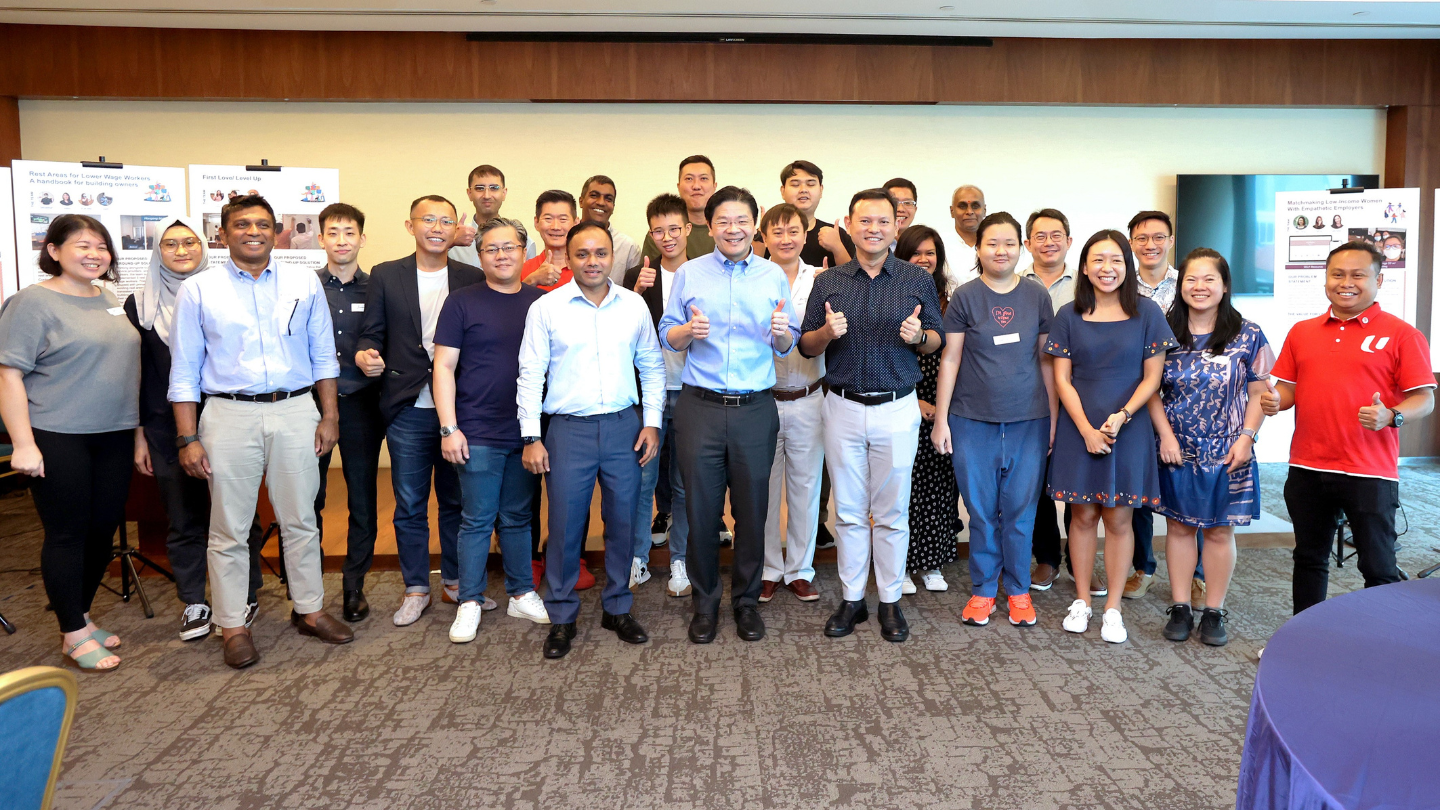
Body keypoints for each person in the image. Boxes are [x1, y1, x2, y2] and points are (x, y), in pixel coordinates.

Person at [169, 195, 352, 669]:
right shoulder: (199, 290)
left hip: (295, 410)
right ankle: (232, 625)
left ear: (277, 232)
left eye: (264, 225)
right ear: (224, 233)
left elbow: (323, 356)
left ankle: (309, 610)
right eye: (242, 224)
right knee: (228, 528)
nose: (254, 232)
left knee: (301, 521)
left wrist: (328, 416)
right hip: (228, 415)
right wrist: (187, 437)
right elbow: (185, 370)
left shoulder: (302, 283)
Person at [800, 189, 944, 643]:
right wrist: (826, 332)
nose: (874, 229)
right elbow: (805, 344)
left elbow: (938, 338)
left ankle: (889, 601)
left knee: (891, 512)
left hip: (898, 407)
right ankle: (851, 598)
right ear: (849, 223)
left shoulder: (915, 280)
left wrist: (919, 335)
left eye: (883, 221)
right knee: (847, 511)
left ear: (896, 226)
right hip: (841, 405)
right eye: (865, 221)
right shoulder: (829, 282)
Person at [658, 185, 799, 644]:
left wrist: (781, 334)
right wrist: (686, 330)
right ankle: (705, 604)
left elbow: (787, 341)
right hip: (699, 406)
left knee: (753, 512)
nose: (733, 229)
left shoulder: (773, 275)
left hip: (755, 408)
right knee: (700, 511)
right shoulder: (690, 273)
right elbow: (667, 335)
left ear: (754, 225)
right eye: (724, 221)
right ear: (711, 226)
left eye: (742, 221)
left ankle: (745, 602)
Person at [1261, 241, 1434, 614]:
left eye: (1358, 274)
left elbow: (1425, 399)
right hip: (1308, 466)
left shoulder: (1402, 334)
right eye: (1337, 274)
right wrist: (1275, 402)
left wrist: (1392, 415)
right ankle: (1304, 640)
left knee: (1377, 567)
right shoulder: (1303, 331)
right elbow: (1288, 390)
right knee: (1309, 558)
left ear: (1379, 279)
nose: (1346, 282)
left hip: (1368, 471)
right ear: (1326, 278)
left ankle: (1384, 647)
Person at [518, 221, 664, 659]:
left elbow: (652, 367)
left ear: (610, 256)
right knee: (565, 526)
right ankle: (561, 616)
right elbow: (530, 375)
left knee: (623, 521)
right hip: (568, 430)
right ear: (569, 256)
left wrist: (652, 422)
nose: (592, 261)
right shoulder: (547, 307)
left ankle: (617, 606)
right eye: (582, 254)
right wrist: (530, 436)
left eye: (600, 253)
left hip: (624, 427)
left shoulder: (633, 305)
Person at [0, 215, 139, 671]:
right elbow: (9, 374)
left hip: (114, 434)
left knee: (102, 529)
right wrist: (23, 442)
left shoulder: (108, 298)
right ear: (55, 250)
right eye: (82, 245)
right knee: (67, 533)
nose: (95, 254)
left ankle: (76, 617)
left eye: (101, 246)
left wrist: (137, 432)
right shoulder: (31, 302)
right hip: (58, 435)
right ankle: (74, 632)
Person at [127, 216, 265, 640]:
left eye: (189, 242)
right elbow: (136, 375)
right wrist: (139, 435)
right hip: (166, 426)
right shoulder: (137, 304)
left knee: (239, 514)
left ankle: (245, 592)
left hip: (227, 418)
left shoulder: (226, 294)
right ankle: (195, 601)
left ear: (205, 246)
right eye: (170, 244)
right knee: (183, 516)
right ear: (158, 252)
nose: (182, 250)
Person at [355, 196, 483, 626]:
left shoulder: (471, 276)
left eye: (447, 221)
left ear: (456, 230)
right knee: (410, 503)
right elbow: (370, 333)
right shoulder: (386, 274)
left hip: (459, 408)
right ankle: (415, 588)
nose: (437, 226)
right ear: (410, 225)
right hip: (407, 407)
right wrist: (364, 355)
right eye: (428, 219)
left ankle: (456, 582)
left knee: (456, 500)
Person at [1045, 229, 1176, 644]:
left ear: (1128, 265)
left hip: (1129, 427)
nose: (1108, 268)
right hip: (1077, 426)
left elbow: (1152, 377)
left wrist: (1121, 416)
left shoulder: (1148, 313)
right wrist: (1084, 429)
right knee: (1082, 515)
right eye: (1098, 260)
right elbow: (1062, 380)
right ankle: (1082, 599)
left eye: (1116, 259)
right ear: (1085, 267)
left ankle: (1113, 607)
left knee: (1119, 517)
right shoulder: (1068, 315)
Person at [931, 212, 1055, 628]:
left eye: (1008, 243)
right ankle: (984, 591)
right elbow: (950, 358)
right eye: (991, 244)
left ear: (1020, 248)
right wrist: (941, 420)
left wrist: (1052, 419)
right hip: (971, 421)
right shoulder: (965, 297)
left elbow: (1046, 361)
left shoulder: (1037, 297)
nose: (1000, 251)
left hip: (1029, 421)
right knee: (981, 511)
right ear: (978, 248)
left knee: (1020, 512)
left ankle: (1018, 591)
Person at [434, 217, 550, 643]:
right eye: (492, 249)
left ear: (524, 251)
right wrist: (449, 428)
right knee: (477, 518)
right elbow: (443, 367)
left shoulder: (541, 303)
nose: (502, 255)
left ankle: (521, 592)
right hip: (476, 428)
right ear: (480, 255)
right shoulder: (462, 301)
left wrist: (537, 431)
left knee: (518, 517)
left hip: (525, 429)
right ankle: (470, 600)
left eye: (510, 247)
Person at [1150, 248, 1273, 646]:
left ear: (1224, 286)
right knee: (1179, 528)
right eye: (1191, 279)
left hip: (1229, 449)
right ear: (1180, 284)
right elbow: (1149, 390)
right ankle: (1181, 606)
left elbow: (1260, 392)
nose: (1199, 287)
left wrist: (1247, 438)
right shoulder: (1163, 330)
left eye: (1209, 279)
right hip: (1177, 448)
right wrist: (1165, 436)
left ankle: (1214, 610)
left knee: (1220, 532)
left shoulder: (1248, 333)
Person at [313, 204, 386, 623]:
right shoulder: (305, 287)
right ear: (321, 239)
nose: (342, 240)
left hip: (361, 403)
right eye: (333, 233)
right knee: (312, 498)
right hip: (312, 405)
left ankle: (353, 585)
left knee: (362, 496)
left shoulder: (378, 287)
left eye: (350, 232)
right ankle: (309, 587)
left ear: (362, 238)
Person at [623, 194, 693, 597]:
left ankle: (680, 560)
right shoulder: (639, 274)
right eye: (658, 230)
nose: (667, 237)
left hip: (691, 392)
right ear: (651, 234)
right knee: (641, 480)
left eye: (674, 228)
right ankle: (638, 559)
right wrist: (632, 291)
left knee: (684, 484)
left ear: (687, 229)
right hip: (646, 394)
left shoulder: (705, 273)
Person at [757, 204, 826, 604]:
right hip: (761, 400)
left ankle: (800, 569)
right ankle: (768, 569)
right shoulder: (752, 277)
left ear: (805, 235)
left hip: (808, 397)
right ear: (763, 237)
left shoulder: (821, 279)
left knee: (805, 487)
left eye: (793, 231)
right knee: (763, 490)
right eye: (777, 232)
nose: (785, 239)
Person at [893, 225, 962, 595]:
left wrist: (943, 407)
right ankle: (901, 563)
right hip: (903, 399)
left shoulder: (950, 299)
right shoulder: (891, 294)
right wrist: (913, 400)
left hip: (944, 404)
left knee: (938, 487)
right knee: (904, 489)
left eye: (930, 253)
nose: (923, 259)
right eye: (915, 252)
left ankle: (932, 562)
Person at [1123, 210, 1181, 601]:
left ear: (1170, 240)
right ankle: (1143, 567)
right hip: (1139, 396)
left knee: (1184, 490)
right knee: (1140, 490)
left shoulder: (1189, 282)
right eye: (1141, 238)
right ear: (1131, 243)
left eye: (1158, 237)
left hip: (1185, 399)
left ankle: (1194, 575)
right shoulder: (1122, 285)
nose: (1150, 245)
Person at [1021, 208, 1076, 591]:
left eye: (1056, 235)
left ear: (1069, 241)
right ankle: (1047, 558)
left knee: (1079, 480)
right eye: (1039, 236)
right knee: (1036, 481)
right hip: (1031, 395)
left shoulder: (1087, 282)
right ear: (1027, 244)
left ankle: (1079, 558)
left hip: (1078, 395)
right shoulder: (1013, 284)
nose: (1048, 242)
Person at [449, 164, 539, 264]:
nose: (487, 195)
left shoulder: (523, 241)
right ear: (469, 193)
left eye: (494, 188)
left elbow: (526, 279)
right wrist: (451, 242)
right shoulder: (454, 239)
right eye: (479, 188)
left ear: (504, 193)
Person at [778, 160, 854, 267]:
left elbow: (856, 279)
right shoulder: (769, 234)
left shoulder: (838, 235)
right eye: (795, 184)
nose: (803, 190)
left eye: (810, 184)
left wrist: (837, 247)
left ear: (821, 190)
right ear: (783, 191)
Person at [641, 155, 718, 262]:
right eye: (689, 179)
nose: (696, 186)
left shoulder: (725, 230)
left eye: (703, 178)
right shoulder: (660, 233)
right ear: (679, 186)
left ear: (714, 186)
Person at [578, 174, 641, 283]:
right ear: (581, 201)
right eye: (594, 195)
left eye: (608, 199)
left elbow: (633, 291)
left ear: (613, 206)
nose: (601, 202)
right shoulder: (565, 238)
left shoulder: (628, 247)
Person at [521, 190, 578, 290]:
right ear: (536, 222)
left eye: (563, 219)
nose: (555, 227)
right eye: (548, 218)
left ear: (576, 223)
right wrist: (532, 280)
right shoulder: (523, 270)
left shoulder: (585, 268)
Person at [942, 185, 986, 294]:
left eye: (975, 206)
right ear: (952, 211)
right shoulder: (939, 245)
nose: (969, 211)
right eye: (962, 206)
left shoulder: (995, 245)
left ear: (984, 210)